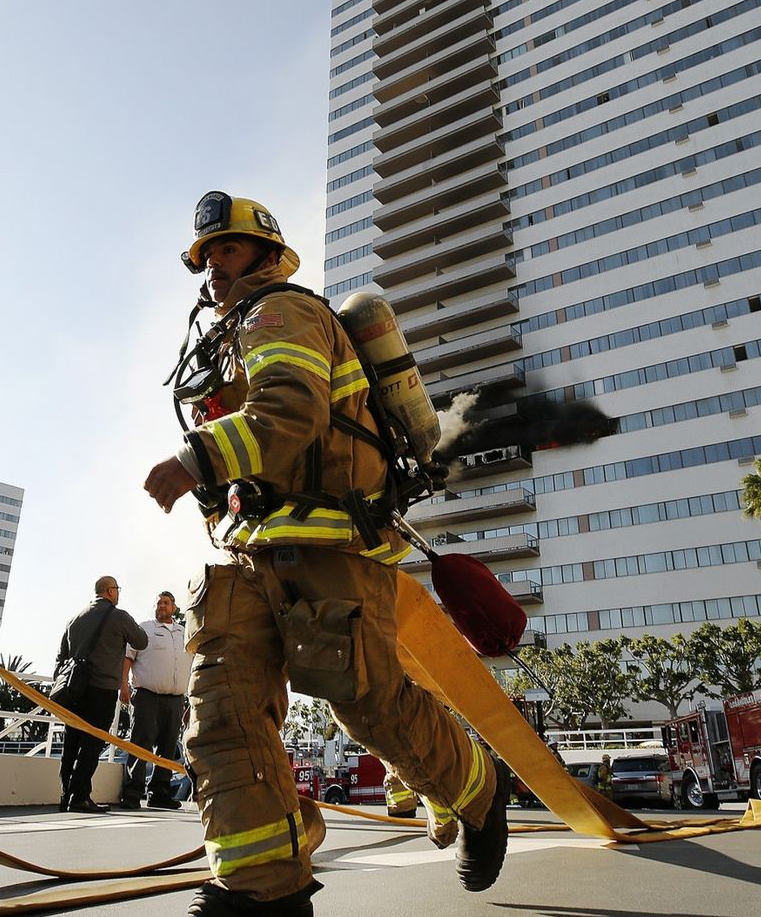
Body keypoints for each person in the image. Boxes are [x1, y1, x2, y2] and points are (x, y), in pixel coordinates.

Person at [144, 192, 508, 915]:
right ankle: (262, 892)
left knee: (369, 707)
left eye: (229, 250)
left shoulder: (285, 312)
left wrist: (193, 460)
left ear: (270, 256)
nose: (215, 267)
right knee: (223, 716)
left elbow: (291, 411)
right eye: (207, 256)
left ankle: (480, 791)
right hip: (248, 555)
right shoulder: (224, 341)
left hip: (328, 546)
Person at [56, 576, 148, 813]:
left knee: (71, 742)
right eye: (117, 589)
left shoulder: (75, 618)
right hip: (102, 690)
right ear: (109, 591)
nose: (118, 593)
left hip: (74, 690)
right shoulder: (118, 616)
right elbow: (141, 640)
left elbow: (61, 657)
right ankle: (80, 797)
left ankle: (66, 795)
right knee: (92, 744)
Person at [119, 590, 194, 810]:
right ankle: (133, 792)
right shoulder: (144, 629)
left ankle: (160, 792)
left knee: (168, 746)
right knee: (141, 743)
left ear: (174, 608)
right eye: (159, 602)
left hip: (176, 699)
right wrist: (123, 683)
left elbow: (192, 665)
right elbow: (128, 656)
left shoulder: (184, 632)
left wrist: (190, 701)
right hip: (147, 696)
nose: (162, 606)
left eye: (166, 603)